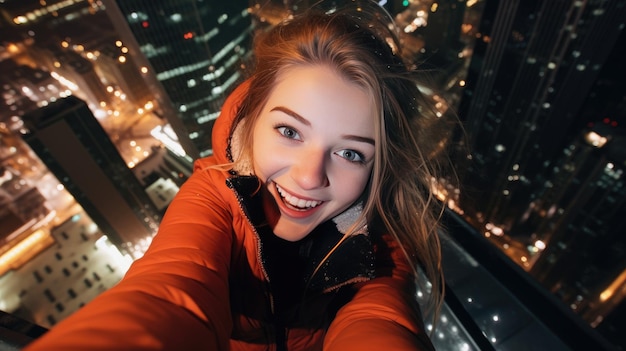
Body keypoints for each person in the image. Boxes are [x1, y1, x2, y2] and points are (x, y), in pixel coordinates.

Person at [24, 2, 447, 350]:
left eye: (351, 152)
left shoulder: (384, 241)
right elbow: (170, 292)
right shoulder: (212, 196)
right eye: (289, 131)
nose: (309, 176)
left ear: (378, 168)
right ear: (249, 125)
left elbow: (378, 321)